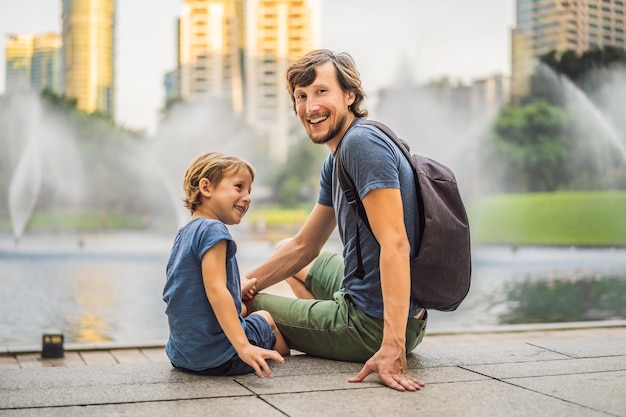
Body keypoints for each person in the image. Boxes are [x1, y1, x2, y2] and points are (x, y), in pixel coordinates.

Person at [246, 49, 427, 391]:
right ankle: (321, 329)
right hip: (374, 304)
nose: (310, 106)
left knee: (248, 304)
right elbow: (305, 246)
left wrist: (392, 347)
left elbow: (396, 243)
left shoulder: (361, 145)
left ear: (350, 95)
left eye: (321, 92)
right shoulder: (340, 155)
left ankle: (325, 332)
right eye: (301, 96)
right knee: (280, 255)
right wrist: (241, 280)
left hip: (374, 325)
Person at [163, 151, 289, 379]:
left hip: (183, 356)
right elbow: (216, 290)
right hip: (222, 358)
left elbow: (191, 292)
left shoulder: (184, 234)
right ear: (206, 188)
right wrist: (243, 347)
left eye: (249, 190)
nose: (248, 197)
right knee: (267, 319)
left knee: (241, 308)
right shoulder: (215, 230)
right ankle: (267, 356)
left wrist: (235, 290)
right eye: (239, 187)